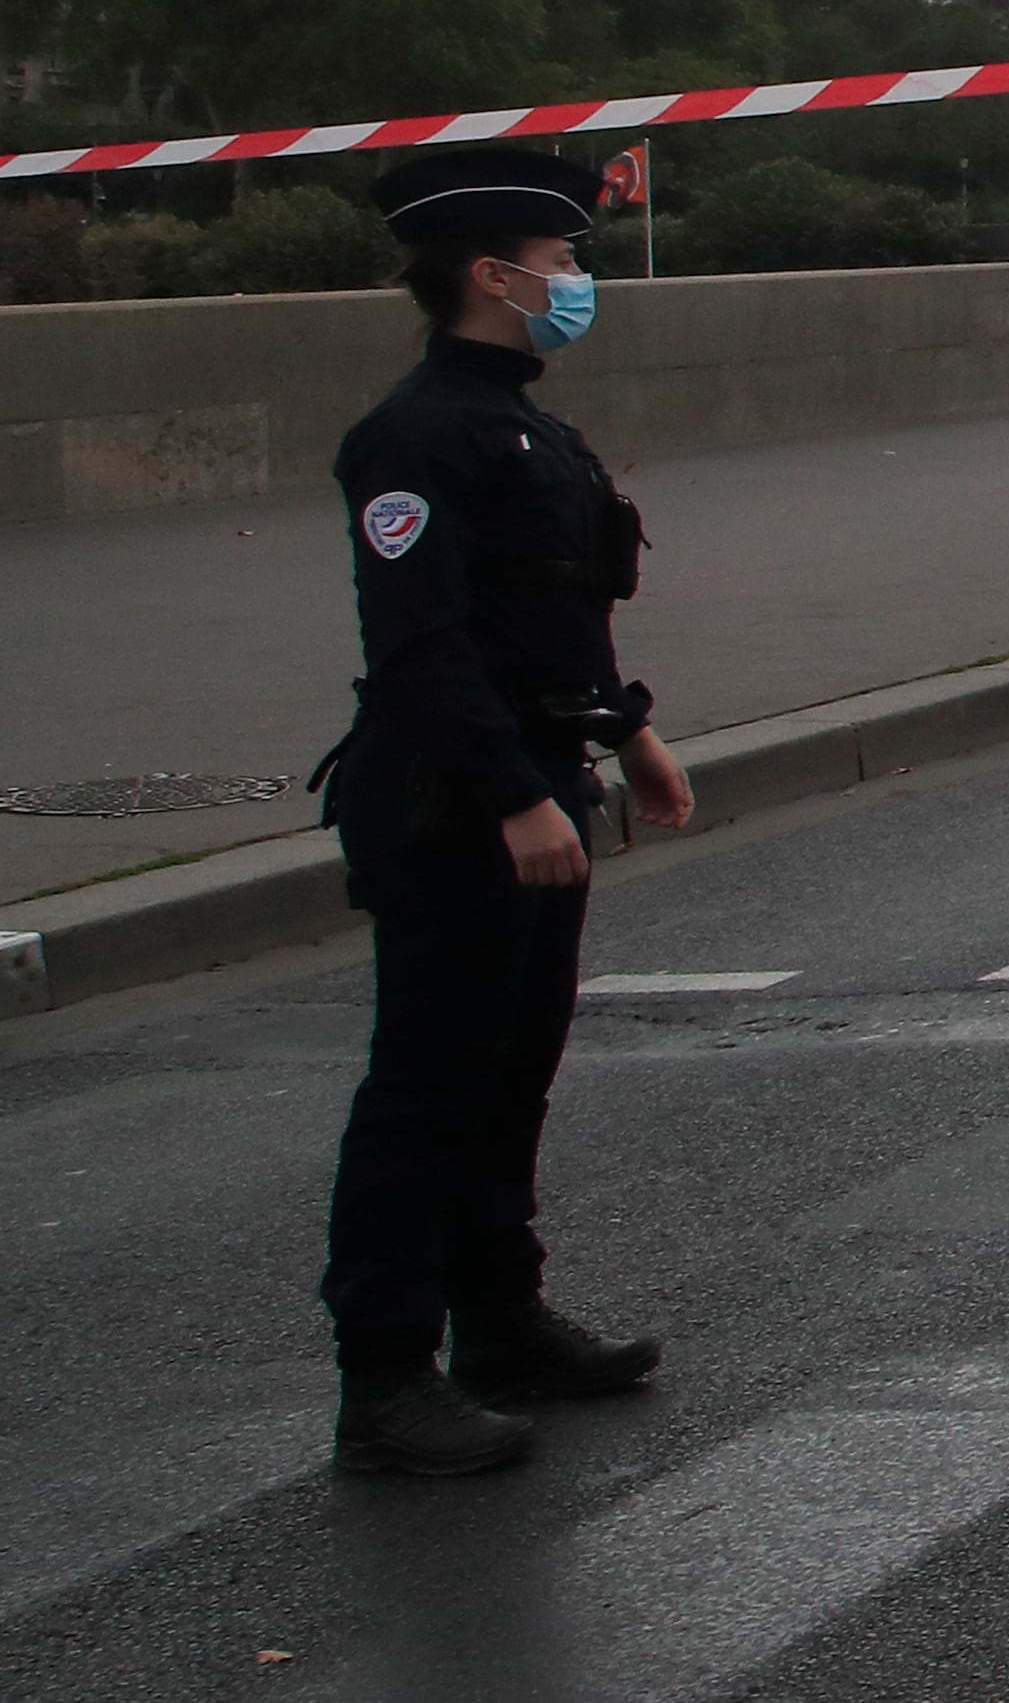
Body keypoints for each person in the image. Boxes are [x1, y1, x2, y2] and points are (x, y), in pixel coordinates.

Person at [312, 146, 693, 1476]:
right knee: (428, 1083)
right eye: (563, 261)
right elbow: (421, 645)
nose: (576, 280)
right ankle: (385, 1371)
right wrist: (520, 792)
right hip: (450, 802)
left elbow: (553, 612)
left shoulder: (527, 421)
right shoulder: (412, 438)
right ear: (493, 275)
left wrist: (626, 732)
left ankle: (503, 1321)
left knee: (511, 1070)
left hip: (538, 785)